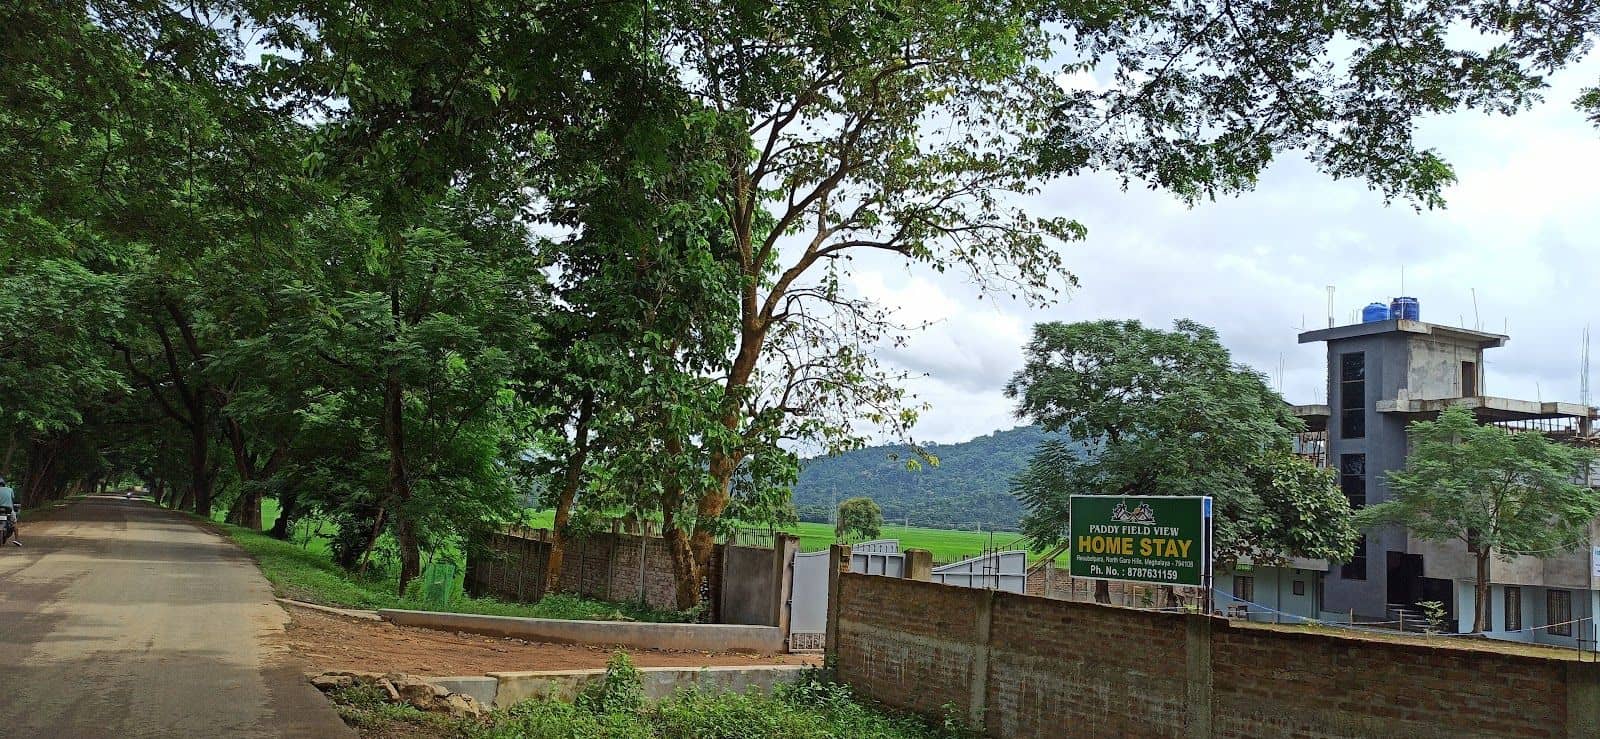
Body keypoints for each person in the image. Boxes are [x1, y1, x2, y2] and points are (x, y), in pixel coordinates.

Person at [0, 476, 17, 547]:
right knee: (15, 523)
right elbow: (12, 499)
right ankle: (17, 539)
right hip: (9, 510)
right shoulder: (10, 489)